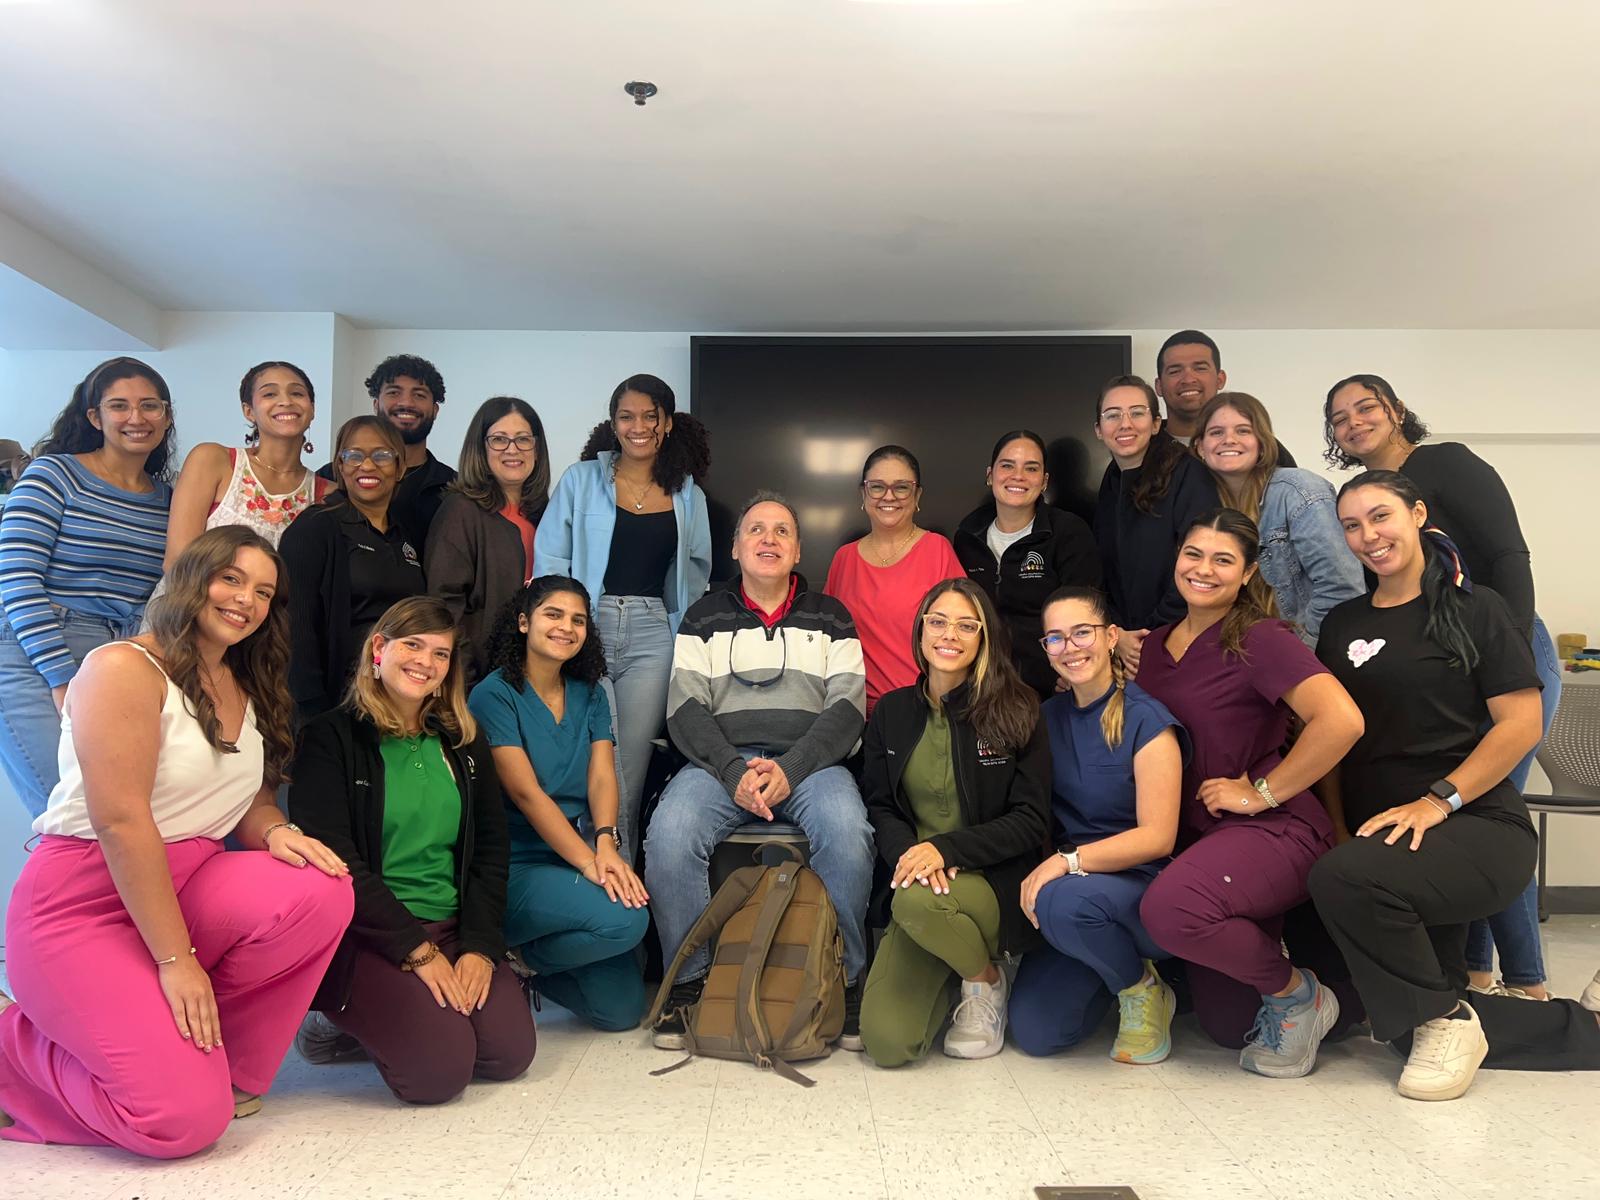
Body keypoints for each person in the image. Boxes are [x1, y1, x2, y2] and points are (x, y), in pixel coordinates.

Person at [0, 527, 353, 1157]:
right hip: (85, 901)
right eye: (233, 579)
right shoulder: (122, 668)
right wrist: (176, 960)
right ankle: (11, 1046)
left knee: (319, 889)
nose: (247, 599)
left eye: (265, 591)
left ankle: (224, 1069)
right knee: (180, 1124)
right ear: (193, 578)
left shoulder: (247, 686)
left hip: (188, 878)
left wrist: (275, 829)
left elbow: (246, 798)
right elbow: (122, 822)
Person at [1309, 471, 1600, 1099]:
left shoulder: (1477, 609)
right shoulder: (1341, 625)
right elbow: (1332, 743)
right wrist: (1338, 832)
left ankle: (1444, 1019)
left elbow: (1520, 724)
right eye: (1352, 525)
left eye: (1380, 516)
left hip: (1475, 827)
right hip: (1387, 845)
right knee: (1399, 1018)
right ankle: (1583, 1029)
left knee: (1356, 906)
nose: (1368, 536)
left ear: (1417, 515)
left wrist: (1438, 800)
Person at [1324, 374, 1557, 1000]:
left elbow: (1510, 554)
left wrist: (1489, 642)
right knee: (1452, 804)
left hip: (1499, 639)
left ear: (1397, 410)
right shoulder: (1350, 619)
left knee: (1479, 797)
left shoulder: (1445, 463)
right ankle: (1476, 977)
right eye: (1339, 418)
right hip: (1433, 645)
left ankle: (1529, 984)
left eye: (1365, 407)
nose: (1353, 423)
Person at [1135, 508, 1364, 1077]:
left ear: (1247, 572)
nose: (1204, 569)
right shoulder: (1154, 649)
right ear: (1176, 559)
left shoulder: (1260, 638)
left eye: (1223, 560)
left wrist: (1261, 792)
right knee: (1226, 1026)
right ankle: (1301, 986)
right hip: (1201, 843)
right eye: (1194, 554)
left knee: (1169, 910)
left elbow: (1342, 720)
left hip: (1272, 829)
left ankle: (1299, 995)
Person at [646, 492, 872, 1052]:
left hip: (811, 766)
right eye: (756, 530)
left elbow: (848, 707)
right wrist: (731, 771)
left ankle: (842, 981)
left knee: (848, 834)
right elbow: (684, 708)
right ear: (735, 546)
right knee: (669, 836)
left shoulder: (830, 616)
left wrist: (791, 769)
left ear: (797, 550)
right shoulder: (704, 615)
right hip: (720, 764)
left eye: (782, 532)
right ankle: (692, 984)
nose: (768, 540)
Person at [289, 596, 536, 1104]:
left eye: (441, 654)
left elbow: (491, 850)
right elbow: (338, 867)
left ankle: (417, 1018)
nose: (426, 662)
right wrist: (416, 951)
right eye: (413, 645)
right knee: (438, 1076)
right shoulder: (328, 738)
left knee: (507, 1056)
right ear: (379, 648)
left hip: (452, 928)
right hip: (371, 936)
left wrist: (479, 948)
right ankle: (335, 1023)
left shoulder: (464, 742)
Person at [858, 578, 1048, 1066]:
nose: (950, 635)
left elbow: (1030, 821)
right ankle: (955, 967)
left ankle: (986, 979)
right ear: (921, 630)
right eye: (938, 621)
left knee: (919, 902)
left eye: (968, 625)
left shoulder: (1018, 707)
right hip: (918, 883)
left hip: (988, 884)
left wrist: (947, 852)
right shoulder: (892, 713)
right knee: (887, 1044)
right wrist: (912, 856)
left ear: (984, 638)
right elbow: (880, 806)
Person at [534, 373, 712, 862]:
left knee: (628, 771)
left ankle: (620, 886)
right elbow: (550, 562)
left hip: (654, 635)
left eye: (649, 416)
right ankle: (582, 873)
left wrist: (683, 637)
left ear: (667, 423)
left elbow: (695, 575)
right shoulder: (581, 479)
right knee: (589, 757)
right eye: (626, 416)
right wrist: (562, 629)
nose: (637, 426)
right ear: (613, 423)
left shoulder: (688, 495)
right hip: (584, 627)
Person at [1009, 587, 1187, 1063]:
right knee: (1036, 1033)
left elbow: (1158, 836)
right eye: (1056, 638)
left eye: (1082, 633)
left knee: (1060, 902)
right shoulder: (1046, 718)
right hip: (1075, 894)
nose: (1070, 648)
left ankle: (1141, 988)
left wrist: (1067, 863)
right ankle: (1113, 966)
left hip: (1140, 885)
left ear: (1111, 637)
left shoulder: (1147, 720)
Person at [468, 577, 650, 1030]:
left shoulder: (590, 693)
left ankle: (524, 970)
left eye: (578, 620)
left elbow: (603, 774)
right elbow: (527, 795)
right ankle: (514, 958)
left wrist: (606, 843)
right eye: (553, 614)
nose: (566, 627)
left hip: (567, 855)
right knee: (625, 921)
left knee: (622, 1010)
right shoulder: (494, 694)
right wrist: (591, 864)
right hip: (510, 864)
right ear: (525, 622)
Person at [0, 358, 176, 816]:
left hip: (120, 657)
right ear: (95, 417)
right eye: (119, 406)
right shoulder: (54, 475)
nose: (136, 418)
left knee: (126, 817)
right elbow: (16, 578)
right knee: (71, 814)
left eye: (149, 406)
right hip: (33, 654)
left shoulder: (169, 501)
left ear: (167, 415)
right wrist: (59, 677)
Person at [280, 416, 426, 722]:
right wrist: (313, 713)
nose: (367, 466)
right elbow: (295, 626)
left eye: (382, 455)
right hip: (333, 703)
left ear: (400, 467)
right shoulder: (315, 527)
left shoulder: (405, 535)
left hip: (395, 700)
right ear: (340, 466)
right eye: (354, 455)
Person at [1193, 393, 1363, 645]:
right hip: (1248, 653)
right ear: (1200, 447)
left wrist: (1296, 656)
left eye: (1243, 431)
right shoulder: (1201, 507)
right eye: (1216, 432)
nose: (1229, 440)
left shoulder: (1300, 491)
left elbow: (1343, 588)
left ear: (1262, 442)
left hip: (1311, 656)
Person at [953, 429, 1102, 698]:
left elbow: (1086, 613)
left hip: (1052, 690)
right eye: (1007, 465)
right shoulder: (967, 537)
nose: (1018, 476)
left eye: (1030, 468)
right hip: (982, 689)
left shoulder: (1069, 533)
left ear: (1044, 481)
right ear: (990, 475)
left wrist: (1069, 669)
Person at [1090, 376, 1215, 675]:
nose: (1125, 424)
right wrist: (1117, 633)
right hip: (1127, 646)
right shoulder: (1111, 482)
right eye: (1112, 415)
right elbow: (1108, 572)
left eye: (1137, 412)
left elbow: (1200, 564)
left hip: (1181, 640)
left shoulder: (1188, 474)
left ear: (1157, 423)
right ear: (1098, 429)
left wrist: (1153, 634)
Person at [826, 445, 965, 714]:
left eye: (902, 487)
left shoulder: (937, 550)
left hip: (924, 710)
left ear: (917, 495)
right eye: (877, 487)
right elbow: (829, 641)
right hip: (854, 715)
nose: (888, 496)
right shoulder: (844, 558)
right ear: (863, 493)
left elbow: (964, 637)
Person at [427, 397, 551, 684]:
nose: (512, 449)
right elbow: (444, 604)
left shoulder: (546, 514)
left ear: (537, 447)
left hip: (532, 676)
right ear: (480, 447)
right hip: (477, 679)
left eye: (523, 439)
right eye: (498, 439)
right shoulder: (460, 510)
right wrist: (467, 679)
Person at [163, 361, 332, 566]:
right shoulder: (212, 460)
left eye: (297, 393)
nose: (286, 401)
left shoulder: (327, 495)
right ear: (249, 411)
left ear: (312, 409)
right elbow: (177, 561)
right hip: (190, 597)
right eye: (270, 394)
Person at [318, 354, 456, 545]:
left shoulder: (455, 487)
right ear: (376, 405)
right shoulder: (330, 477)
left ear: (435, 410)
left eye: (419, 395)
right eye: (394, 392)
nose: (406, 403)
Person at [1154, 331, 1296, 465]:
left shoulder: (1264, 449)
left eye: (1200, 368)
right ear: (1159, 386)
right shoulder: (1144, 449)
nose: (1188, 379)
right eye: (1175, 371)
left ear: (1220, 379)